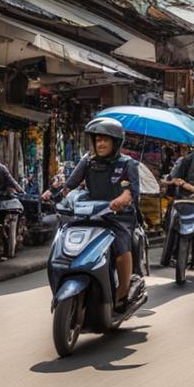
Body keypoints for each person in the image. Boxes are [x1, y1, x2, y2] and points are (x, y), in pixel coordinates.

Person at [43, 118, 142, 312]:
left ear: (116, 142)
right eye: (98, 140)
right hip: (90, 215)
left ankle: (122, 293)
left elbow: (130, 192)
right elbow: (69, 185)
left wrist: (121, 200)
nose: (101, 144)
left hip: (118, 217)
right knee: (62, 242)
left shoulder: (127, 164)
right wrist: (53, 194)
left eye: (105, 140)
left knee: (122, 250)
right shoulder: (88, 161)